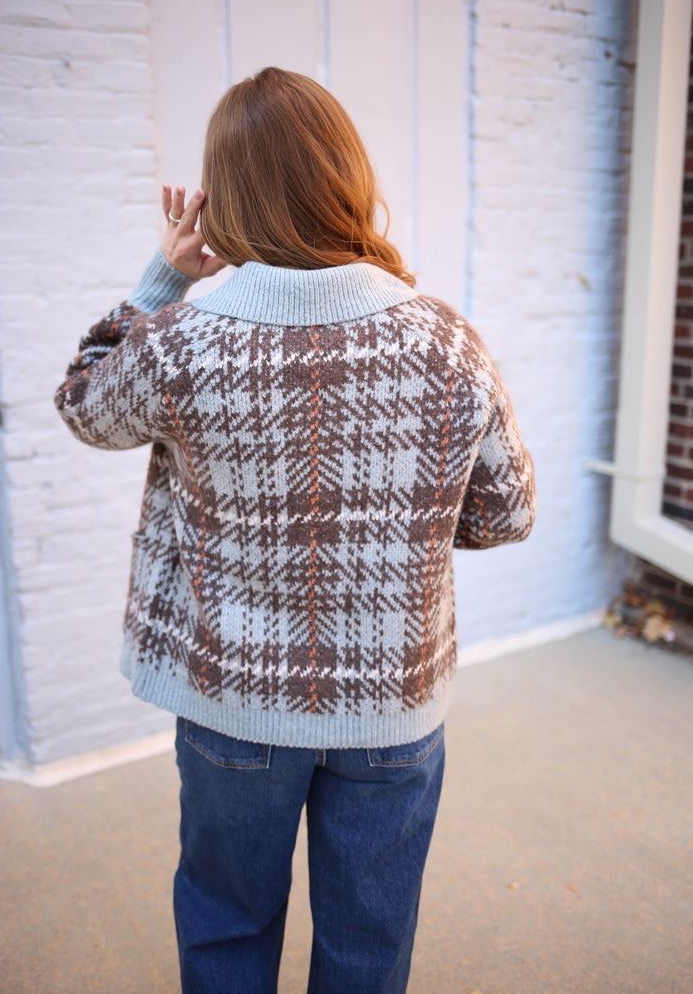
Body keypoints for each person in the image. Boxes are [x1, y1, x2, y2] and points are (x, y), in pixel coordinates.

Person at [55, 67, 536, 994]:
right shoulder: (445, 338)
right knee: (369, 942)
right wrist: (393, 532)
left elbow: (83, 404)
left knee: (228, 925)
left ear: (224, 195)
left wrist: (163, 275)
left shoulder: (184, 341)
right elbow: (505, 512)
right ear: (346, 176)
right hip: (394, 703)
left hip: (234, 702)